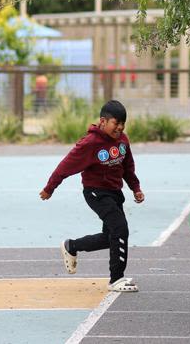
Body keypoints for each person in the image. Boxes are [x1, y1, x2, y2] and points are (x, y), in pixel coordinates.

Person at [40, 100, 145, 292]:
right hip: (96, 192)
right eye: (116, 123)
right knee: (120, 229)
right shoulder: (90, 143)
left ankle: (72, 246)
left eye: (123, 123)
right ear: (103, 121)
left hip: (114, 193)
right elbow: (66, 165)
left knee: (111, 236)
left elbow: (128, 167)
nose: (120, 127)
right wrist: (50, 188)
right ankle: (117, 278)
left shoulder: (123, 140)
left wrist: (135, 187)